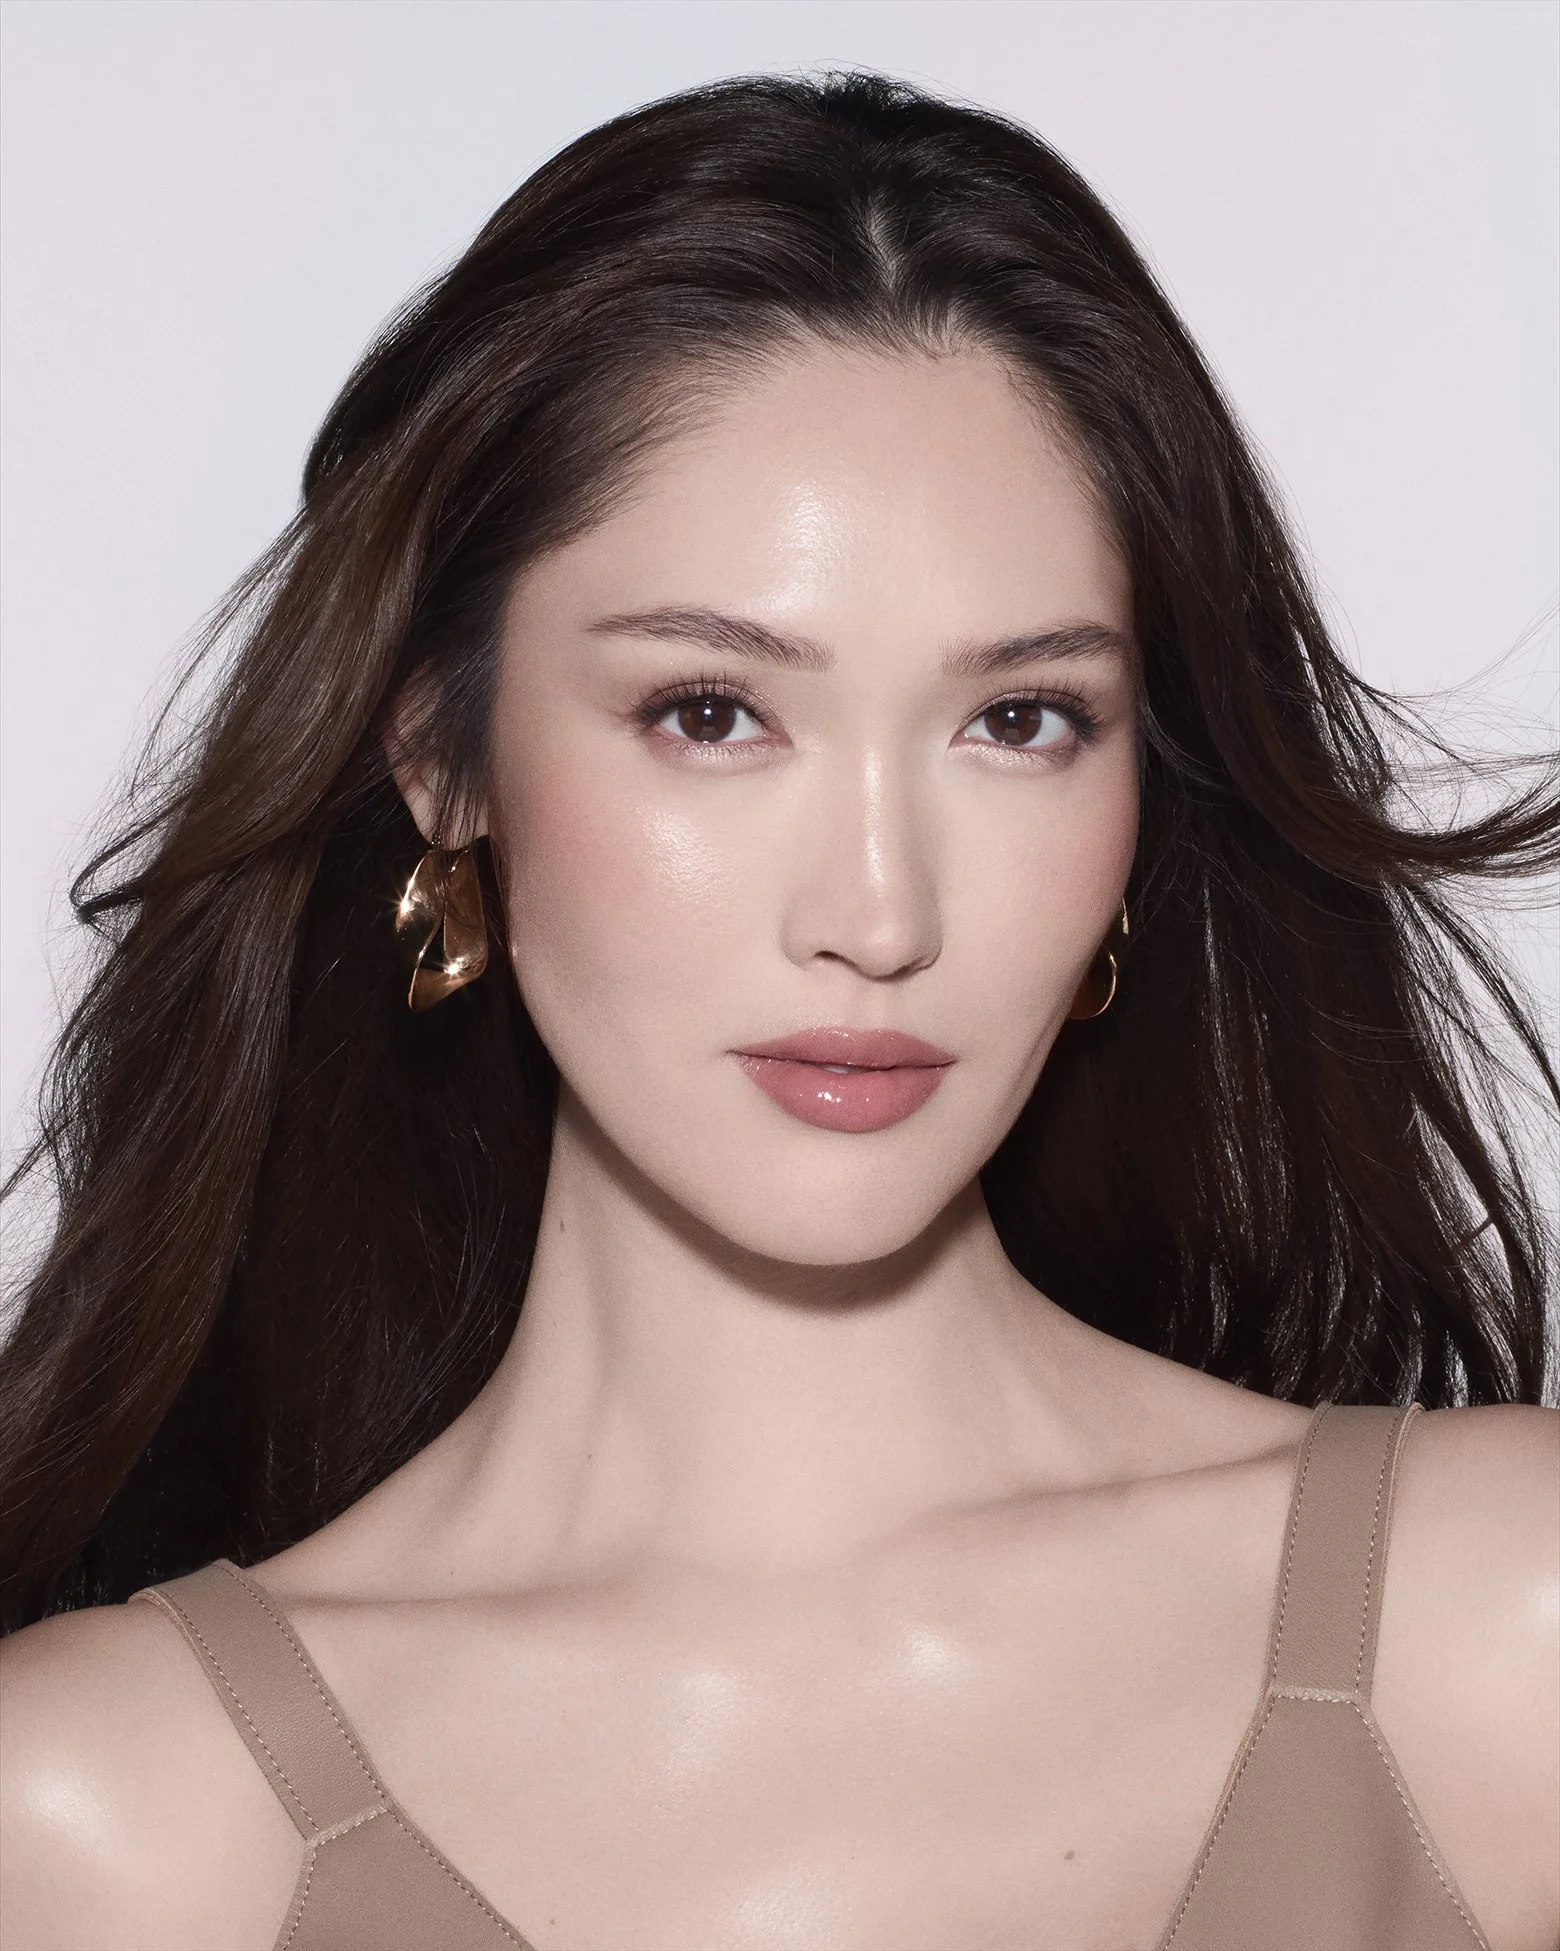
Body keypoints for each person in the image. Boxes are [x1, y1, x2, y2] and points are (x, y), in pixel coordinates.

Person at [0, 69, 1555, 1951]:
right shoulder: (111, 1819)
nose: (879, 915)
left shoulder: (1496, 1632)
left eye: (1021, 721)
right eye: (713, 714)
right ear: (443, 758)